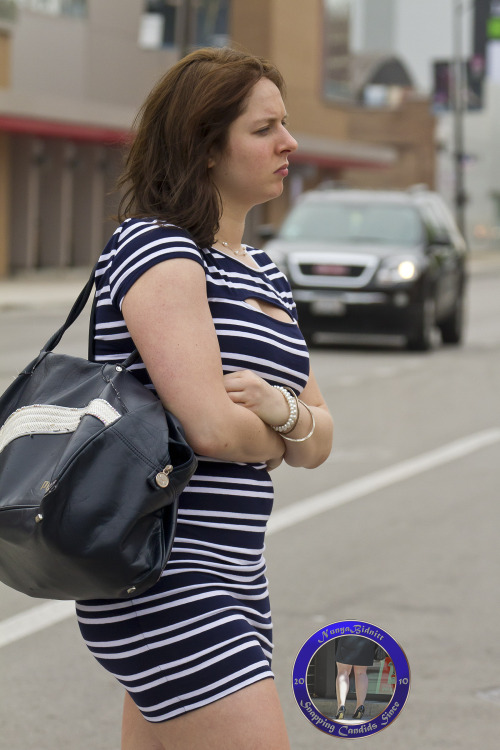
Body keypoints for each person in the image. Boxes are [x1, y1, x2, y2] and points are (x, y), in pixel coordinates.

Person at [76, 46, 333, 750]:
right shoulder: (157, 248)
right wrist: (288, 430)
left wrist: (279, 415)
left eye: (285, 124)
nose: (290, 143)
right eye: (264, 128)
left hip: (238, 577)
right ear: (204, 144)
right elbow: (215, 432)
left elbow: (323, 439)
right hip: (167, 578)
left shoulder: (265, 274)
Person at [334, 636, 376, 721]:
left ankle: (341, 706)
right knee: (361, 673)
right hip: (366, 636)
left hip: (348, 633)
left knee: (343, 672)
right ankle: (360, 706)